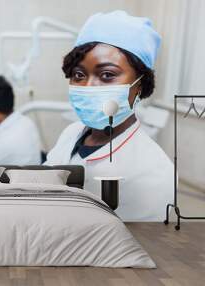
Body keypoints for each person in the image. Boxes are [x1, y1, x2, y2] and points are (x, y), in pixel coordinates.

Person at [45, 10, 173, 221]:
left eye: (107, 75)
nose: (88, 87)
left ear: (139, 86)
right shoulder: (73, 132)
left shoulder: (154, 175)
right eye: (79, 75)